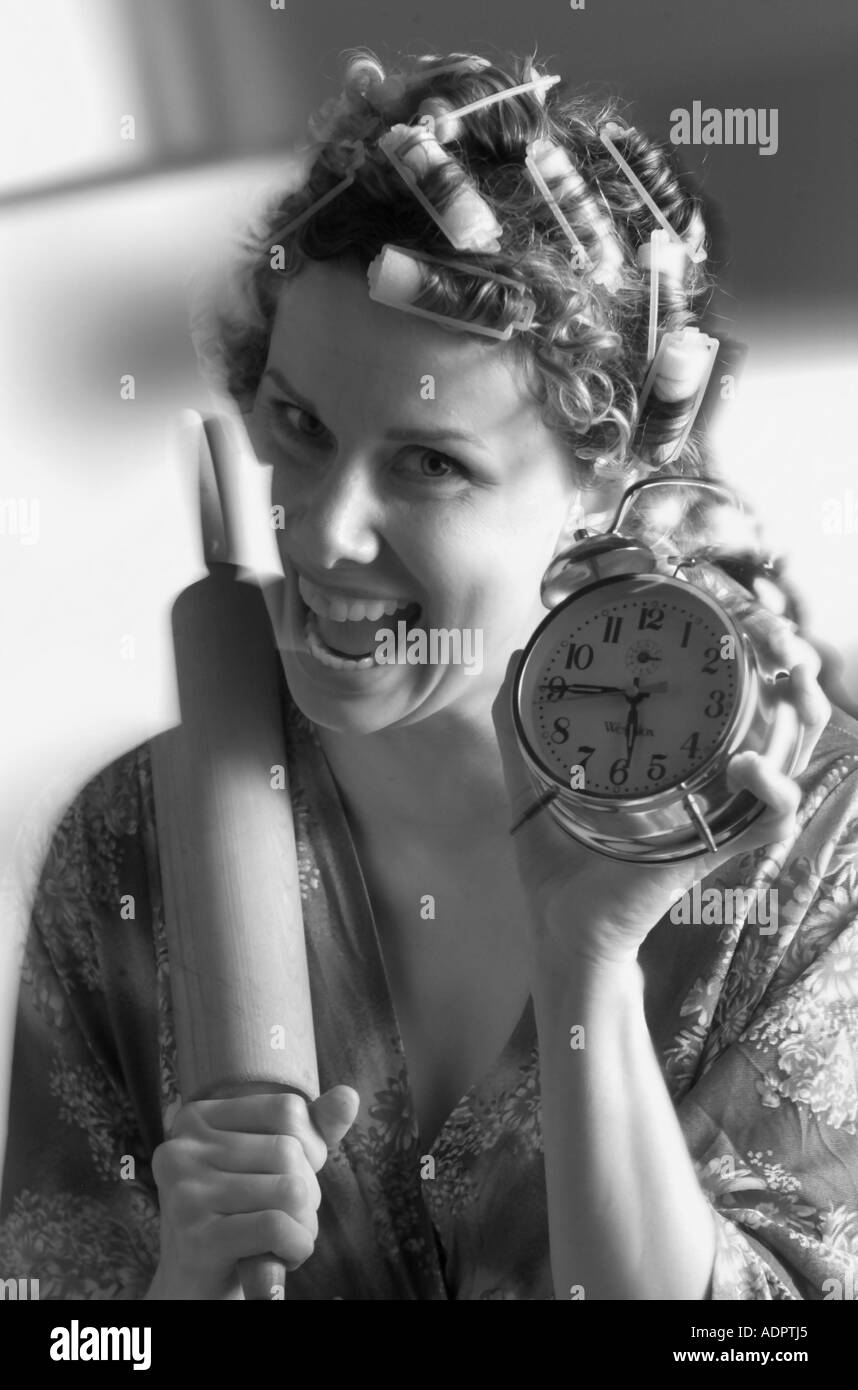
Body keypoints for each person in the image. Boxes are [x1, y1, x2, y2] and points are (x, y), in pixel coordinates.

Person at [2, 48, 857, 1302]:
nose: (322, 530)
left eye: (431, 464)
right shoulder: (124, 843)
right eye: (300, 426)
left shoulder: (813, 856)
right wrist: (181, 1291)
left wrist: (585, 963)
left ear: (601, 488)